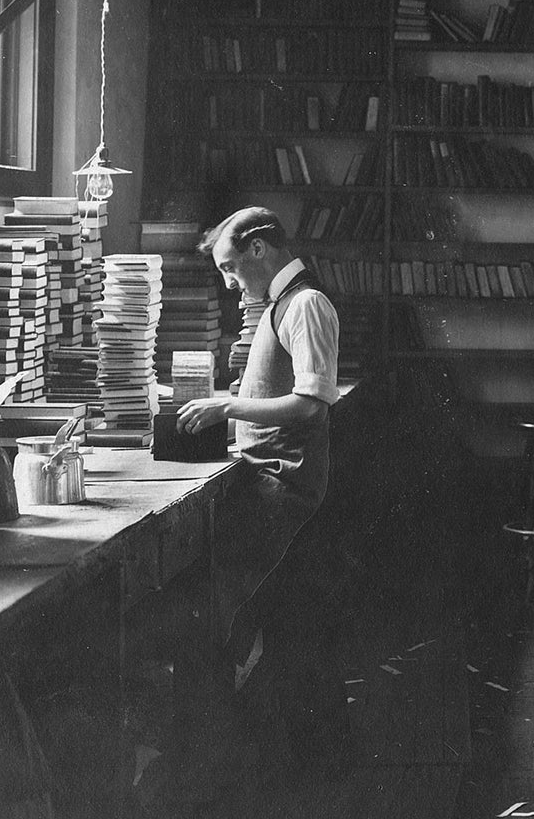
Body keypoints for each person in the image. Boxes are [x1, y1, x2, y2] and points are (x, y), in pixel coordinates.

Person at [176, 206, 345, 763]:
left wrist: (229, 407)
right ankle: (275, 750)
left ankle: (290, 759)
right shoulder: (278, 305)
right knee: (264, 621)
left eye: (230, 269)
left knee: (273, 624)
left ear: (258, 250)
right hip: (267, 480)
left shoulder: (306, 304)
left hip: (288, 487)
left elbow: (311, 405)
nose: (229, 283)